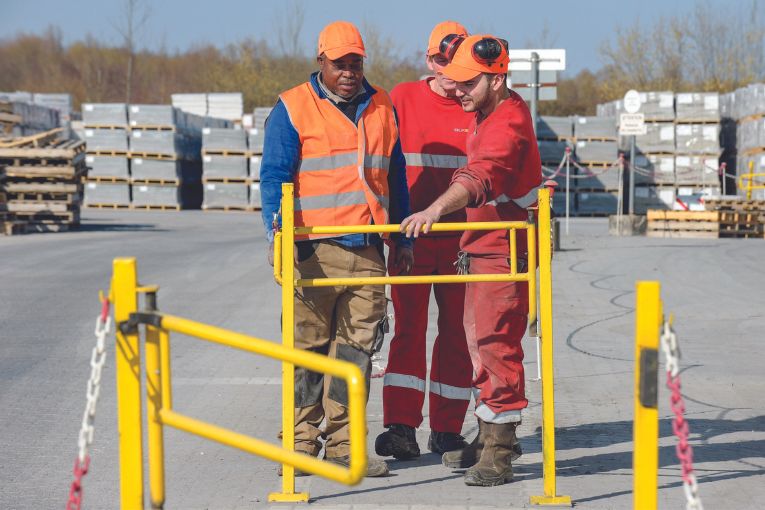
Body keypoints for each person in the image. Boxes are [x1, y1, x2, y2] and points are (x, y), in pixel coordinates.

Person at [260, 20, 413, 478]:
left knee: (355, 354)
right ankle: (301, 443)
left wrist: (400, 237)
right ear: (321, 61)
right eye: (340, 63)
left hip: (367, 248)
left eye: (355, 63)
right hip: (312, 249)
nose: (348, 71)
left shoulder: (382, 105)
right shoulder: (292, 108)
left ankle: (347, 447)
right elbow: (274, 178)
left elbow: (396, 176)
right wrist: (280, 237)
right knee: (308, 351)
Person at [400, 34, 543, 486]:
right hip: (484, 247)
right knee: (479, 345)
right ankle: (488, 434)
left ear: (496, 78)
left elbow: (482, 174)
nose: (456, 89)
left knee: (495, 346)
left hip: (503, 251)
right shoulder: (489, 112)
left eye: (467, 83)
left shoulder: (506, 123)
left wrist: (435, 209)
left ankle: (499, 452)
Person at [374, 21, 474, 461]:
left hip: (462, 242)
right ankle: (400, 426)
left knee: (456, 335)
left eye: (457, 62)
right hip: (411, 239)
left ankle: (448, 429)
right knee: (408, 331)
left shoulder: (478, 103)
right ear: (428, 60)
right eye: (441, 61)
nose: (449, 73)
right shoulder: (403, 99)